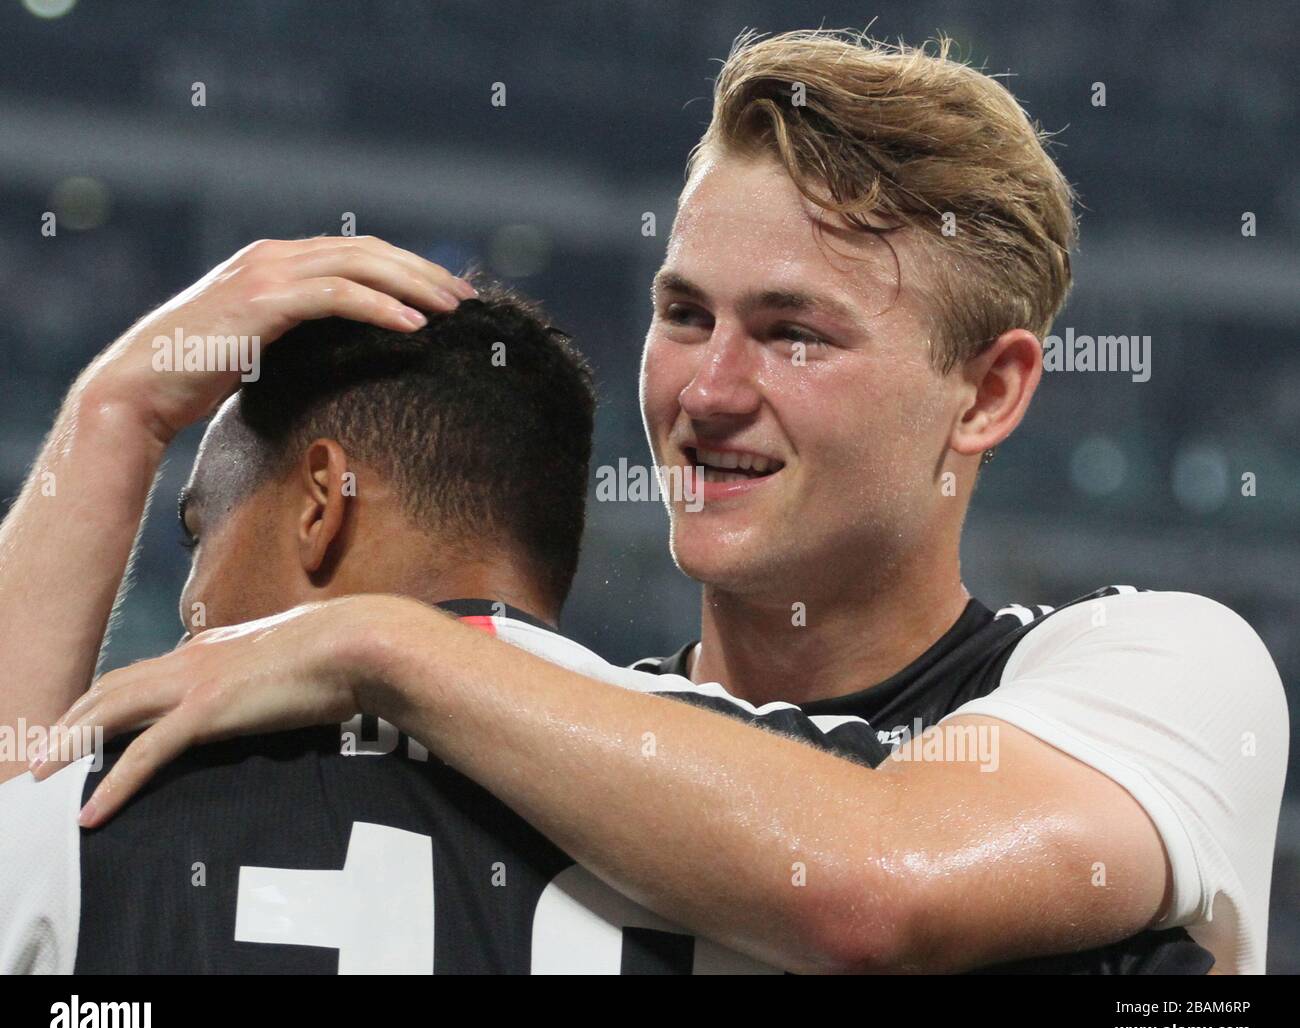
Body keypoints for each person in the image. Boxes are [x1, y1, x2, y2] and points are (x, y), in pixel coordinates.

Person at [28, 31, 1290, 974]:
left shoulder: (1164, 670)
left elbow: (874, 882)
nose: (709, 388)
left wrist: (377, 639)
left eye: (793, 334)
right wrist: (109, 419)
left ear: (988, 392)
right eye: (683, 314)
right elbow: (25, 854)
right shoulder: (527, 745)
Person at [0, 247, 882, 973]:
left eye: (201, 533)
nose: (194, 607)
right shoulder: (810, 824)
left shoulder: (92, 815)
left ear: (321, 505)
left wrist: (115, 407)